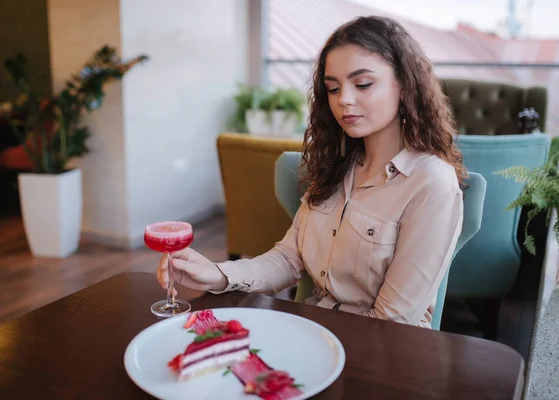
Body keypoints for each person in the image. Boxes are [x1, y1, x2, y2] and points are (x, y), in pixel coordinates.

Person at [157, 16, 466, 328]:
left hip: (379, 354)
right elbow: (288, 259)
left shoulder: (430, 183)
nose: (344, 100)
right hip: (314, 331)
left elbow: (391, 321)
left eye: (362, 84)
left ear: (405, 85)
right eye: (333, 88)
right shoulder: (338, 164)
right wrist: (214, 272)